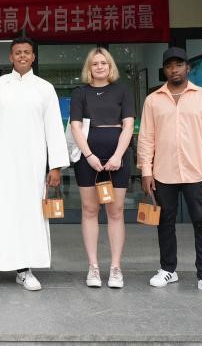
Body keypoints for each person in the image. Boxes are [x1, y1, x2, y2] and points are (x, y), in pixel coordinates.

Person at [0, 36, 69, 294]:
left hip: (33, 165)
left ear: (33, 57)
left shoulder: (45, 89)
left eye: (26, 52)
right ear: (10, 57)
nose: (22, 56)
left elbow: (54, 129)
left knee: (28, 214)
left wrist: (55, 166)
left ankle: (24, 270)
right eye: (17, 52)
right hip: (1, 164)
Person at [137, 46, 202, 299]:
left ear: (188, 67)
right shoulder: (153, 100)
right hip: (163, 172)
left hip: (197, 171)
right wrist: (146, 171)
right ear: (164, 70)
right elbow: (146, 138)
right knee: (164, 223)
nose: (174, 70)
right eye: (169, 66)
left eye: (179, 65)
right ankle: (168, 269)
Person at [69, 48, 134, 289]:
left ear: (110, 66)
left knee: (115, 211)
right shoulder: (80, 93)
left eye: (103, 63)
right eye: (95, 63)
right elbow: (75, 127)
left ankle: (115, 267)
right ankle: (93, 267)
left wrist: (117, 155)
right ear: (89, 67)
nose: (99, 67)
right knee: (89, 210)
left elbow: (128, 126)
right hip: (88, 158)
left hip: (118, 157)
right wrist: (88, 155)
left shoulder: (122, 91)